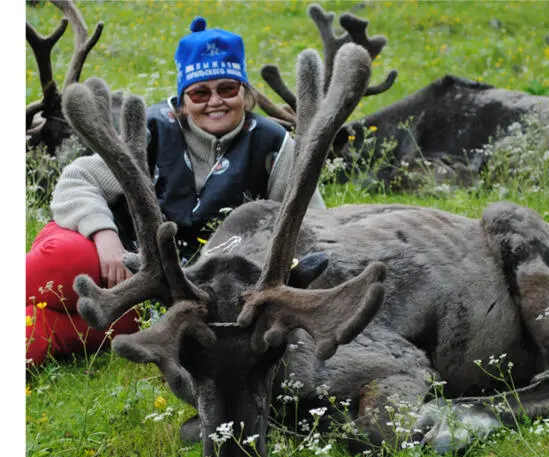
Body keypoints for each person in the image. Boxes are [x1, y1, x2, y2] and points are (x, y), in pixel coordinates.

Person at [26, 16, 326, 368]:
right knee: (61, 262)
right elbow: (77, 181)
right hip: (112, 255)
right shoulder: (151, 129)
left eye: (227, 89)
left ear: (245, 94)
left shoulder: (274, 147)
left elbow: (313, 223)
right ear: (183, 100)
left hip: (165, 294)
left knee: (48, 328)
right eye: (200, 92)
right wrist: (105, 236)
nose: (215, 101)